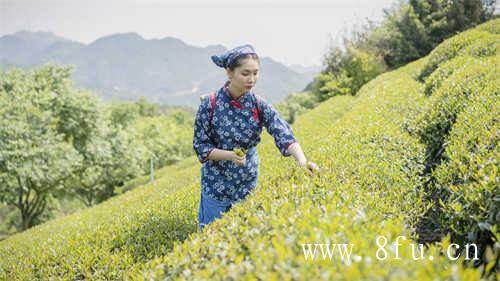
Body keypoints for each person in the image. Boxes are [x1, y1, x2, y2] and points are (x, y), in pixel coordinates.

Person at [193, 44, 318, 231]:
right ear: (230, 73)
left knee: (243, 235)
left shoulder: (258, 104)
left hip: (246, 182)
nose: (251, 79)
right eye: (245, 73)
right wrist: (230, 156)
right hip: (215, 185)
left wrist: (302, 161)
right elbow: (201, 145)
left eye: (255, 73)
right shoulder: (210, 104)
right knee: (210, 236)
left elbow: (283, 133)